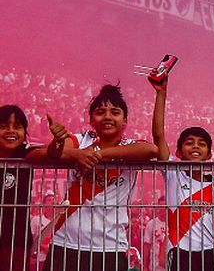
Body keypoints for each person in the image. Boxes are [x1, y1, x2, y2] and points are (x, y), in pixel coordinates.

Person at [43, 84, 159, 271]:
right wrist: (65, 147)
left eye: (115, 112)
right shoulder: (80, 141)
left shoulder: (129, 146)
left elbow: (152, 150)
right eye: (100, 112)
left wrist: (102, 154)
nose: (107, 117)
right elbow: (54, 152)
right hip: (66, 242)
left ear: (125, 121)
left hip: (110, 246)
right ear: (91, 120)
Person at [150, 74, 214, 271]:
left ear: (209, 154)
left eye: (201, 144)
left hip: (211, 253)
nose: (195, 147)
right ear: (178, 152)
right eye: (189, 143)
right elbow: (158, 136)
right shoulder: (173, 174)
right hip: (180, 252)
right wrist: (161, 93)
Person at [0, 105, 68, 271]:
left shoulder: (26, 154)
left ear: (24, 133)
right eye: (3, 126)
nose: (10, 131)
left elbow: (50, 153)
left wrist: (58, 142)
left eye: (17, 126)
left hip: (15, 240)